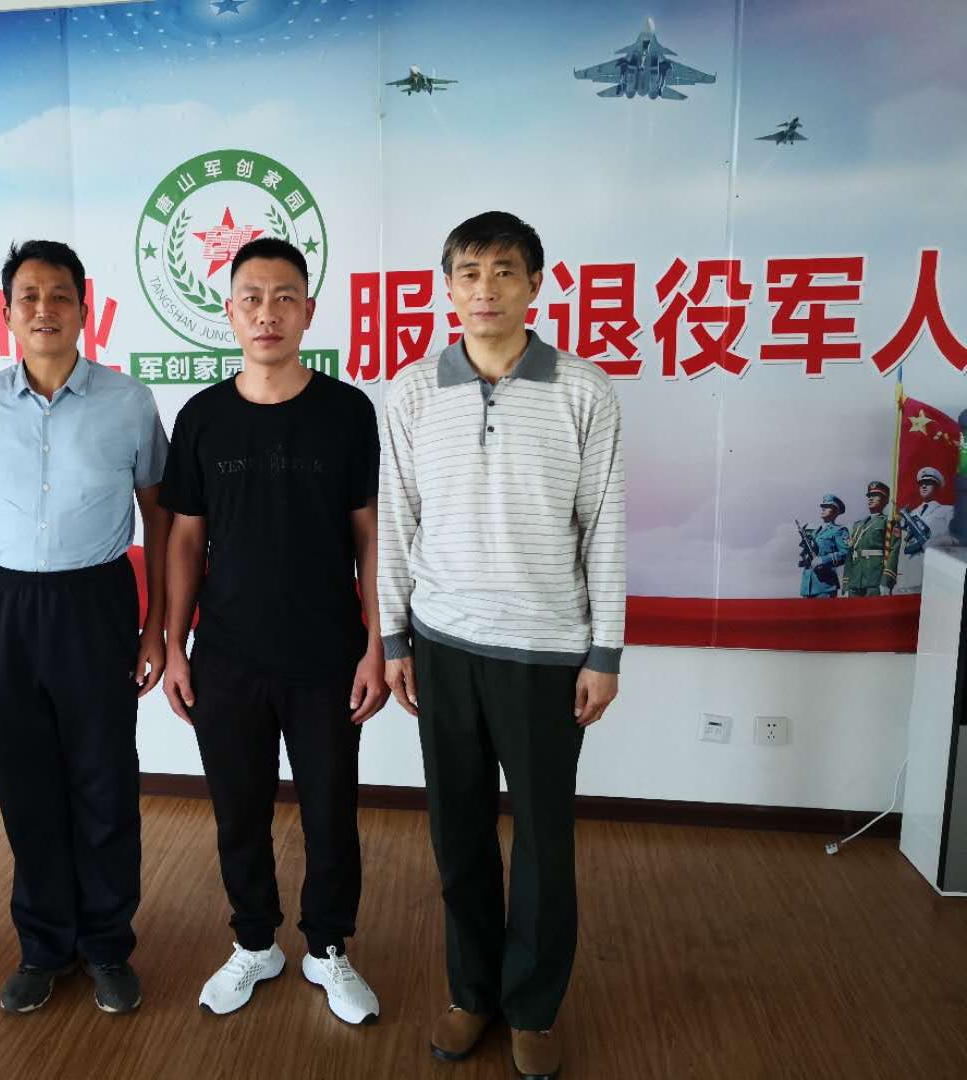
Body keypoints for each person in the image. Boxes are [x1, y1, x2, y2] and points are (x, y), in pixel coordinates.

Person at [377, 212, 625, 1079]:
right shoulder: (411, 392)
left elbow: (604, 527)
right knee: (459, 834)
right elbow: (398, 523)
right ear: (447, 288)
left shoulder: (584, 391)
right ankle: (472, 992)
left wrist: (605, 653)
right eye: (469, 273)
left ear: (535, 284)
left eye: (505, 271)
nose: (485, 289)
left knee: (545, 843)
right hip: (443, 645)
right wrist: (395, 638)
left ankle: (535, 1007)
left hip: (546, 652)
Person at [160, 237, 388, 1026]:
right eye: (252, 299)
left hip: (328, 654)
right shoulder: (202, 417)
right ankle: (254, 941)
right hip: (226, 655)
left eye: (284, 297)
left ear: (308, 312)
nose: (268, 313)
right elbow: (185, 540)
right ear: (229, 313)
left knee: (331, 812)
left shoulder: (348, 412)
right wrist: (174, 646)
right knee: (238, 812)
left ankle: (327, 947)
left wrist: (377, 644)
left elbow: (370, 535)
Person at [0, 240, 170, 1016]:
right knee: (25, 785)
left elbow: (160, 516)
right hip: (5, 609)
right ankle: (43, 946)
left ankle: (106, 946)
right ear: (6, 312)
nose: (45, 309)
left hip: (96, 604)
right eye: (29, 297)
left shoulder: (128, 401)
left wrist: (156, 627)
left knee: (104, 782)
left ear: (84, 308)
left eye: (60, 295)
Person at [895, 466, 956, 594]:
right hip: (910, 576)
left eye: (928, 483)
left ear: (937, 487)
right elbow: (903, 549)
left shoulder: (948, 511)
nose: (923, 486)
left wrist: (936, 542)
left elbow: (958, 539)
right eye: (921, 483)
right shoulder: (911, 515)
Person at [845, 481, 899, 596]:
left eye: (875, 495)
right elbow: (849, 555)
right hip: (855, 581)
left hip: (875, 579)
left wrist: (886, 581)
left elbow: (893, 552)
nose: (870, 498)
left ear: (885, 500)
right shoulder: (857, 525)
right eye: (869, 495)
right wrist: (846, 584)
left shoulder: (888, 522)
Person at [799, 495, 849, 598]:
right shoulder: (815, 532)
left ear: (836, 511)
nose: (823, 508)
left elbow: (845, 554)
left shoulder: (839, 531)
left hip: (825, 586)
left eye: (827, 506)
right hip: (807, 586)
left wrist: (823, 560)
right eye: (823, 506)